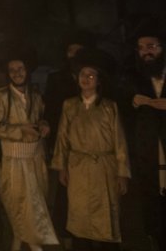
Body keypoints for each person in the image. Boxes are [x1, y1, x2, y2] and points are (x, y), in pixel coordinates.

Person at [52, 48, 130, 250]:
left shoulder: (109, 107)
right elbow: (62, 138)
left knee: (106, 219)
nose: (85, 79)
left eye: (91, 75)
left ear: (99, 80)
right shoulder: (69, 106)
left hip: (105, 169)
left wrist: (122, 173)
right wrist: (62, 167)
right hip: (78, 169)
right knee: (80, 218)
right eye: (82, 75)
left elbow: (119, 142)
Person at [0, 46, 58, 251]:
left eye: (21, 68)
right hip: (14, 162)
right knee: (20, 209)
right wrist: (19, 131)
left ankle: (18, 246)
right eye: (13, 70)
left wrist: (44, 125)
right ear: (8, 73)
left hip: (36, 161)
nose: (17, 73)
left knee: (37, 207)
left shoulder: (35, 95)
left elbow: (40, 118)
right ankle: (36, 247)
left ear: (28, 70)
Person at [44, 29, 95, 238]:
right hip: (66, 142)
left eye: (78, 51)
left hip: (91, 143)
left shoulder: (94, 77)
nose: (74, 55)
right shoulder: (56, 78)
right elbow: (51, 111)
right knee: (67, 188)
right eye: (70, 51)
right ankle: (68, 233)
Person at [122, 24, 166, 250]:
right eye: (141, 48)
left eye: (151, 47)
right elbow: (122, 111)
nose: (146, 52)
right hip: (148, 155)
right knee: (153, 209)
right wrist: (133, 102)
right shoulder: (133, 78)